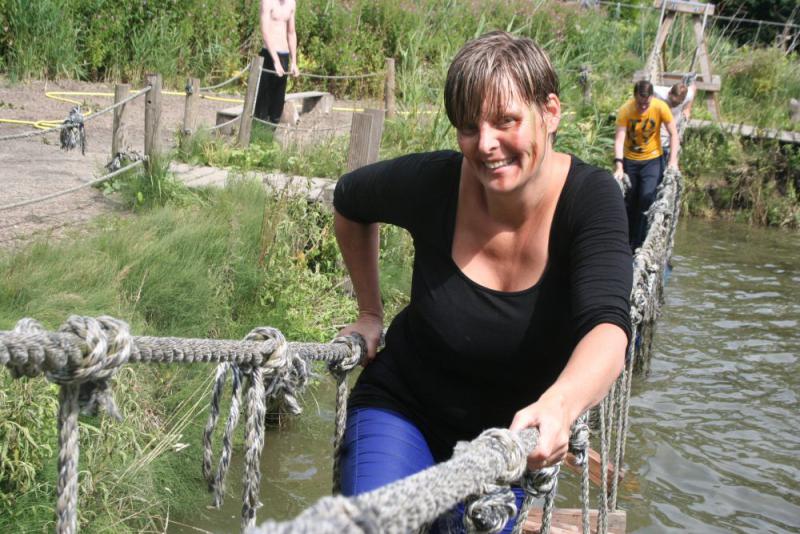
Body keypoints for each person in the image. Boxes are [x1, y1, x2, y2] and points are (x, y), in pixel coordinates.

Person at [333, 31, 632, 532]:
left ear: (550, 112)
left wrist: (560, 404)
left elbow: (608, 326)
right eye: (468, 127)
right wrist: (370, 314)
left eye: (506, 121)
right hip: (401, 409)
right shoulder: (435, 184)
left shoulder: (590, 200)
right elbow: (349, 201)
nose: (486, 144)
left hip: (502, 445)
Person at [614, 80, 679, 251]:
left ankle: (641, 243)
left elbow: (674, 134)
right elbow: (620, 139)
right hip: (631, 160)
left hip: (652, 160)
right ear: (634, 96)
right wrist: (619, 166)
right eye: (640, 103)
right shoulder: (626, 110)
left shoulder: (660, 107)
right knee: (629, 201)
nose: (643, 107)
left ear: (652, 97)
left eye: (646, 103)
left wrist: (673, 161)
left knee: (647, 197)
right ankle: (626, 242)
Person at [254, 0, 299, 125]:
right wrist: (275, 60)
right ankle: (257, 135)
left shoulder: (291, 3)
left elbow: (291, 32)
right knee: (263, 101)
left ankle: (269, 137)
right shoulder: (267, 2)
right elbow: (265, 32)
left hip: (284, 55)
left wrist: (294, 62)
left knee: (277, 103)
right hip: (269, 55)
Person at [653, 80, 695, 165]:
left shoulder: (688, 95)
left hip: (674, 118)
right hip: (660, 117)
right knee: (661, 140)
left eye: (676, 103)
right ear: (669, 93)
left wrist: (687, 109)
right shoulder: (658, 92)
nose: (673, 105)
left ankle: (671, 161)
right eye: (672, 101)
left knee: (674, 138)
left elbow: (693, 88)